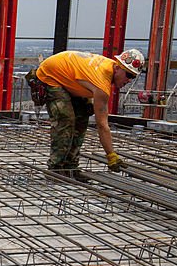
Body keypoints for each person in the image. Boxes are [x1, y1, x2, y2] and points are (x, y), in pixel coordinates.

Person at [27, 49, 143, 177]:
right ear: (117, 67)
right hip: (51, 76)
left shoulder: (109, 69)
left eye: (133, 76)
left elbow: (85, 76)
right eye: (128, 75)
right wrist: (111, 155)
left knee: (82, 117)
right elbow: (102, 125)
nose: (129, 80)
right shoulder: (101, 85)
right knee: (66, 119)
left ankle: (71, 166)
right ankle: (56, 168)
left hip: (68, 76)